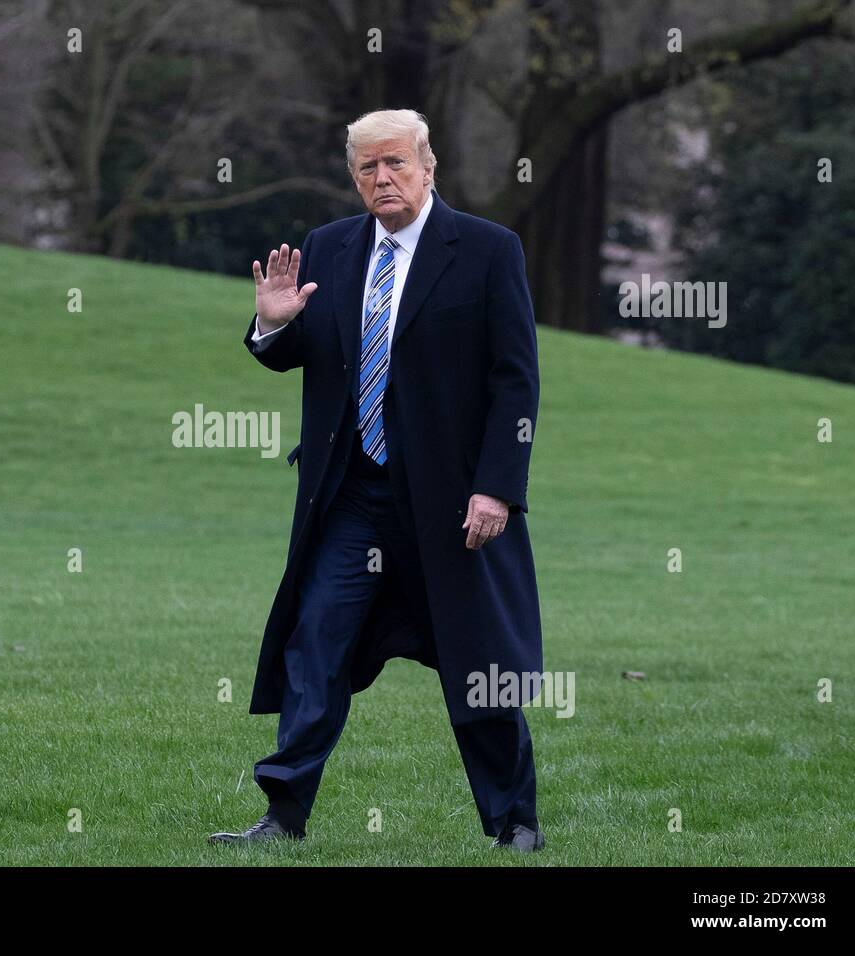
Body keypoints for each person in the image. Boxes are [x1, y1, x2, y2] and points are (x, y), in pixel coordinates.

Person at [210, 108, 545, 852]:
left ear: (428, 167)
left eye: (396, 162)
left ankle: (514, 822)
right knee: (314, 650)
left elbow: (515, 381)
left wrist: (497, 487)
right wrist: (271, 326)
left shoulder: (488, 251)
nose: (382, 178)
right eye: (367, 167)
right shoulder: (330, 247)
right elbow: (307, 352)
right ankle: (282, 817)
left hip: (451, 505)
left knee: (479, 663)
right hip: (352, 499)